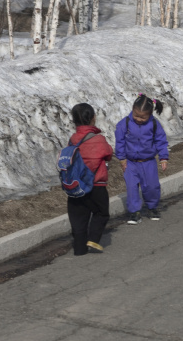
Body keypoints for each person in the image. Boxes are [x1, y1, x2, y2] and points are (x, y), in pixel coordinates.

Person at [115, 94, 169, 225]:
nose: (138, 119)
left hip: (148, 161)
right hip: (131, 163)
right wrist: (121, 158)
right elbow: (120, 141)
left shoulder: (154, 124)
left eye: (143, 117)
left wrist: (163, 157)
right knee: (132, 188)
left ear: (150, 114)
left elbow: (161, 141)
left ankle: (152, 207)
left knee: (151, 186)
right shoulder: (125, 123)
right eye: (136, 115)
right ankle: (134, 212)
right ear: (132, 109)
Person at [67, 103, 114, 255]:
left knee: (79, 217)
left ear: (74, 121)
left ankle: (79, 248)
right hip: (96, 184)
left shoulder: (73, 139)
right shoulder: (98, 139)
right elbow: (108, 154)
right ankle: (93, 238)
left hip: (75, 185)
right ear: (93, 118)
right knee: (101, 212)